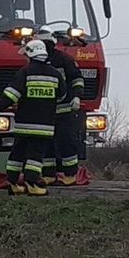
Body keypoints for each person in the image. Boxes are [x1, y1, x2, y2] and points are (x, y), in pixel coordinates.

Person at [0, 40, 65, 196]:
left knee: (17, 153)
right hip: (44, 125)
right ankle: (32, 184)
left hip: (23, 124)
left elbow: (11, 95)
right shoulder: (56, 75)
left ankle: (12, 182)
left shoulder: (25, 72)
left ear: (30, 54)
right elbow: (62, 96)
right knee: (35, 157)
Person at [36, 26, 84, 186]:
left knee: (66, 142)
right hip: (44, 111)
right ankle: (48, 174)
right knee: (46, 143)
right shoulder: (36, 61)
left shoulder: (64, 59)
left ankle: (70, 174)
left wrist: (76, 97)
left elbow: (77, 79)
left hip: (64, 110)